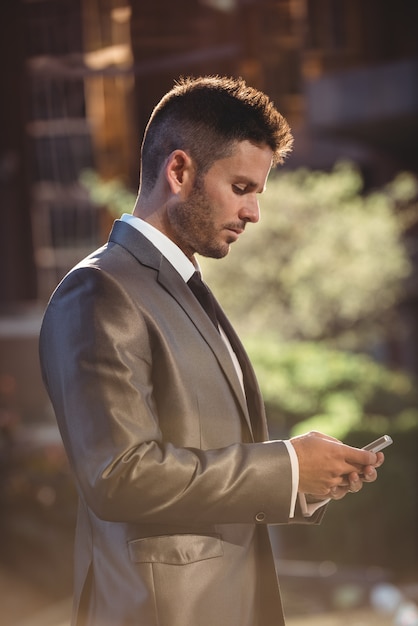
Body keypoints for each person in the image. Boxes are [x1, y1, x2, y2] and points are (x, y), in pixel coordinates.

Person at [39, 75, 384, 626]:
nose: (254, 214)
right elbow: (118, 475)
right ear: (179, 172)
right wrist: (287, 468)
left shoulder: (179, 287)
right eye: (242, 189)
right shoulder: (101, 290)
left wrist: (304, 483)